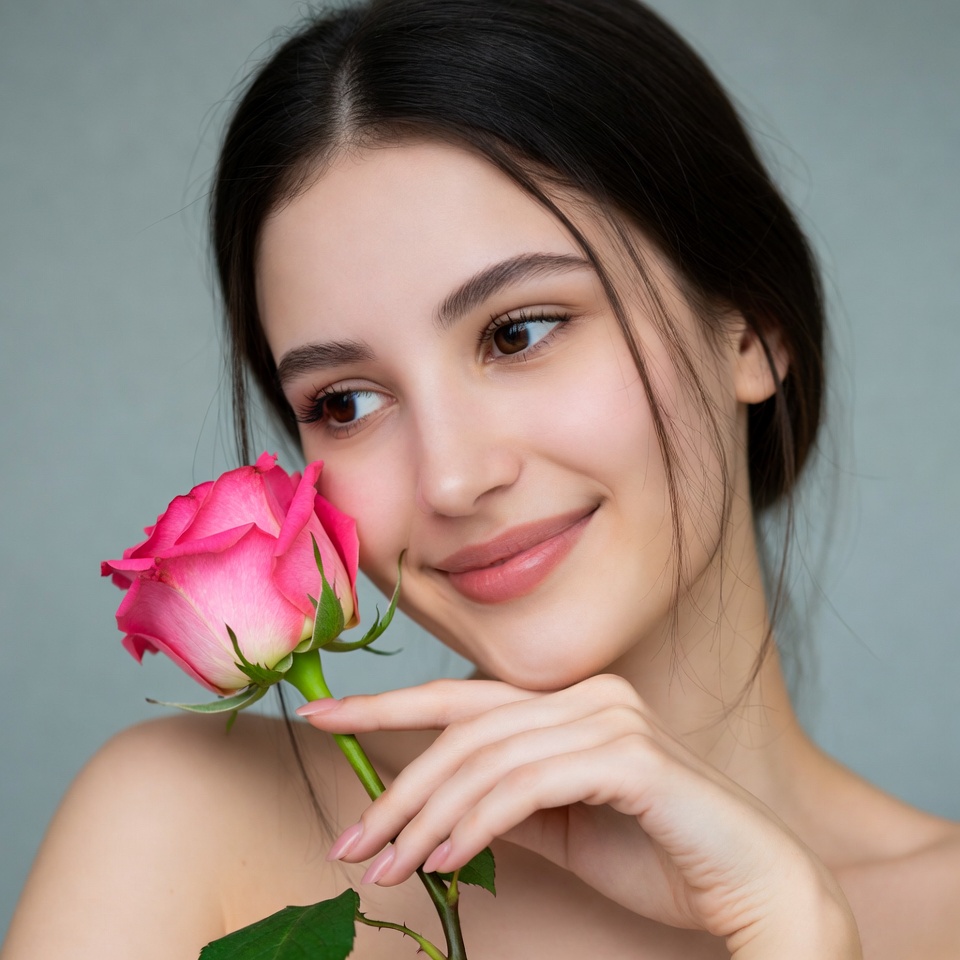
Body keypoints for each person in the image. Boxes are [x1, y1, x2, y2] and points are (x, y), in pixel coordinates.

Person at [4, 1, 958, 957]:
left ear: (750, 331)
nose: (454, 479)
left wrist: (800, 936)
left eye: (520, 332)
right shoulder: (183, 828)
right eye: (346, 402)